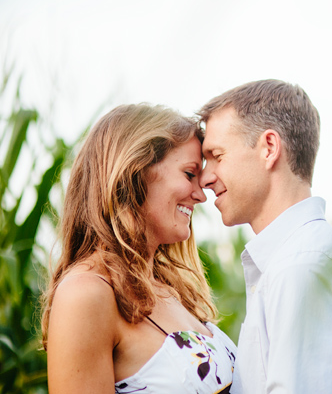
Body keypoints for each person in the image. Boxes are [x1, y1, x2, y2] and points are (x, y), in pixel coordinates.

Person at [198, 79, 332, 394]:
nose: (205, 177)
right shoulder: (304, 257)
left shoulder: (300, 267)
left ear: (269, 148)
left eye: (217, 155)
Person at [41, 104, 236, 394]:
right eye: (189, 174)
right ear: (134, 172)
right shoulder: (86, 293)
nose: (200, 195)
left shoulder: (169, 288)